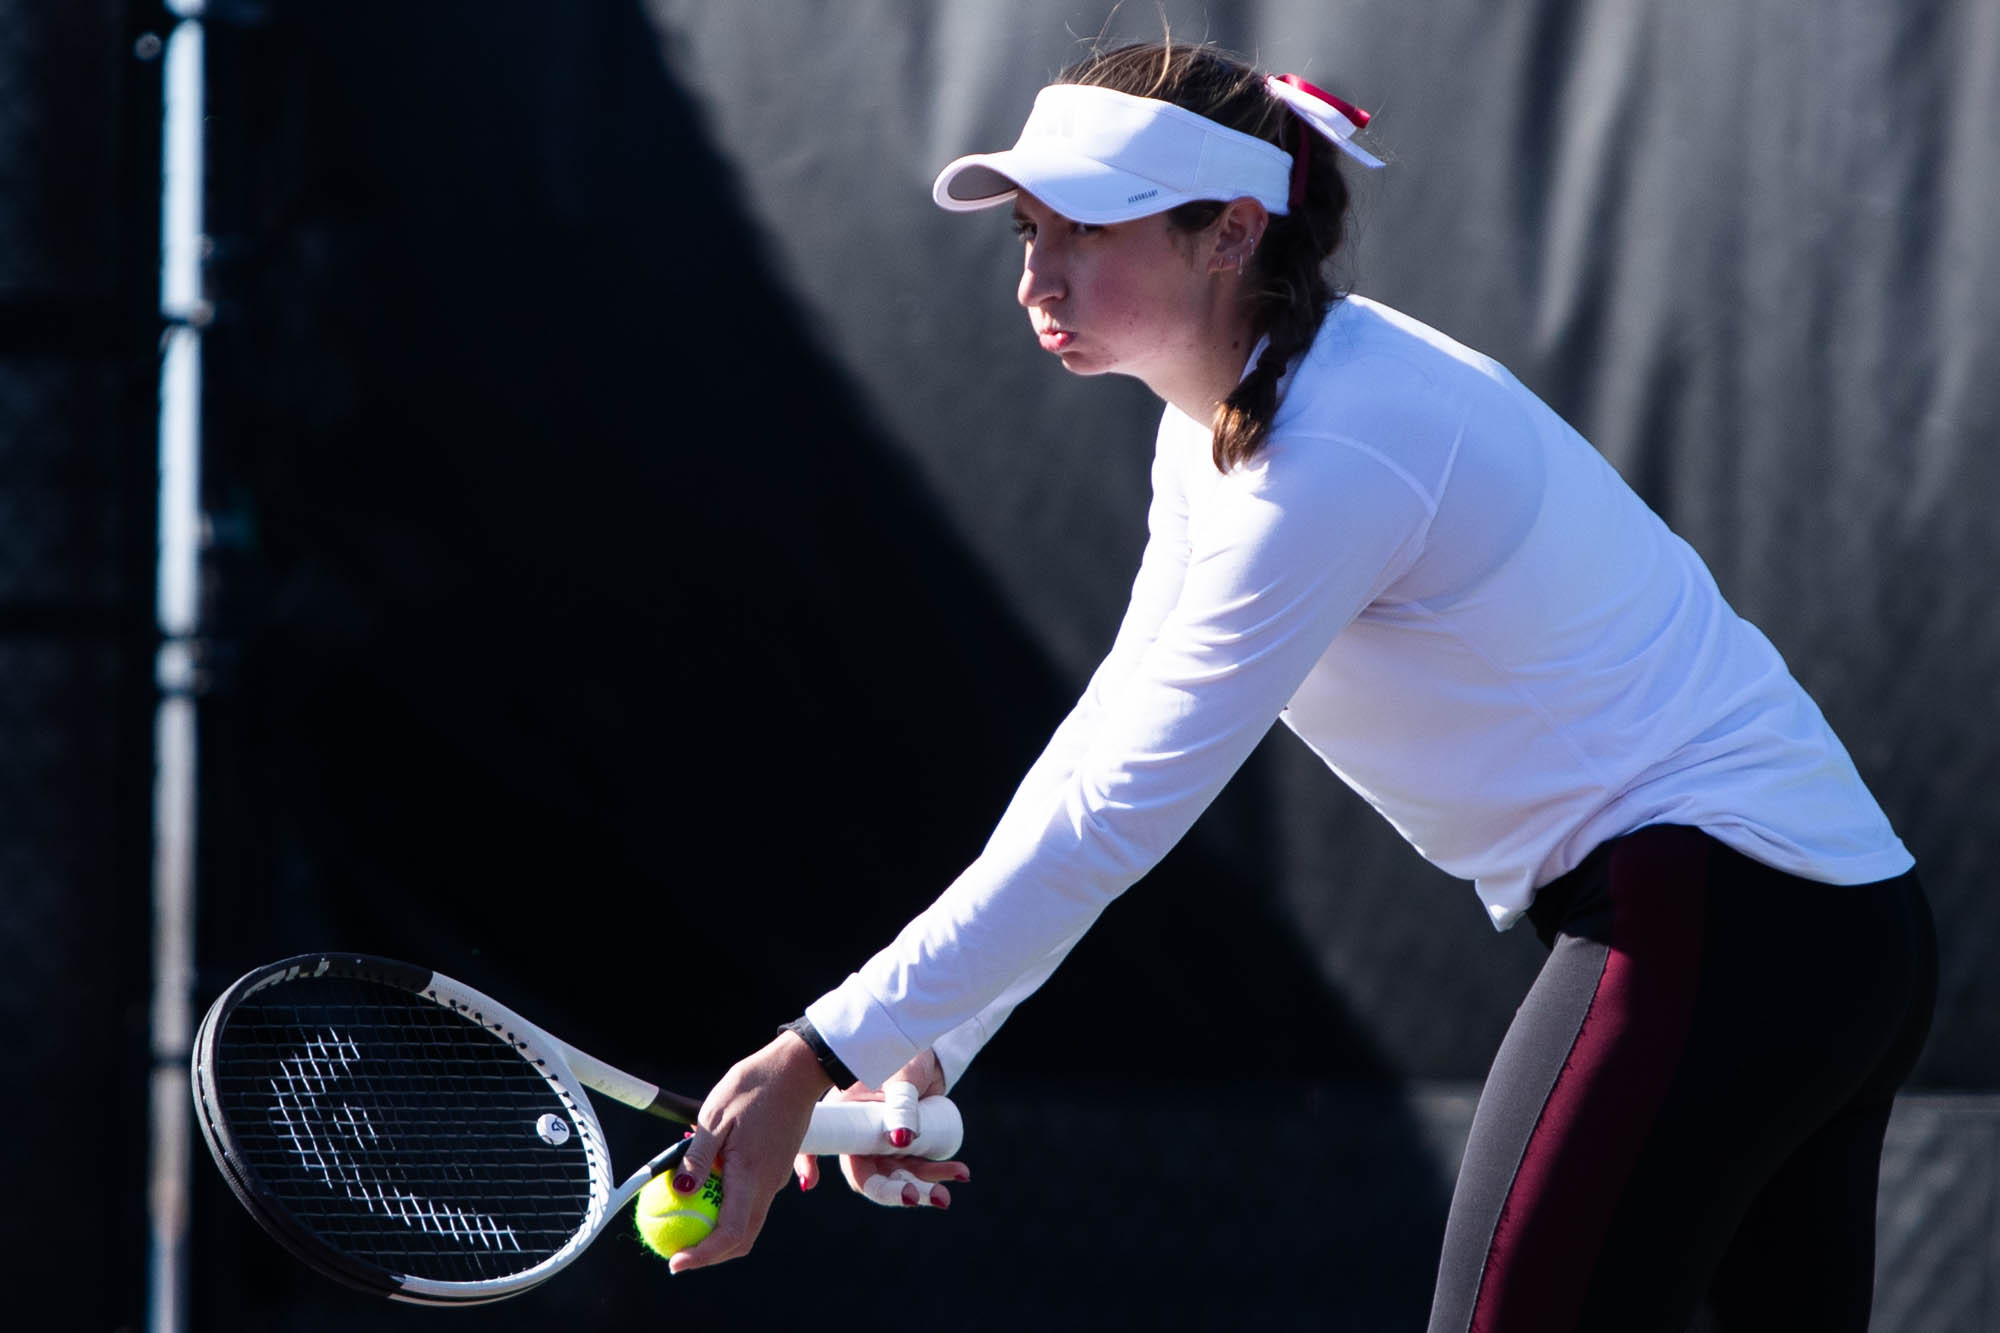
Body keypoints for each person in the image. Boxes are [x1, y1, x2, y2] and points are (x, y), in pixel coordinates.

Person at [666, 39, 1934, 1333]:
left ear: (1229, 233)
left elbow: (1116, 811)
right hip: (1832, 932)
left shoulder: (1335, 451)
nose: (1037, 276)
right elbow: (1103, 738)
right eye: (1029, 232)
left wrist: (816, 1048)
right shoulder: (1229, 417)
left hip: (1714, 922)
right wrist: (926, 1043)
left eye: (1086, 230)